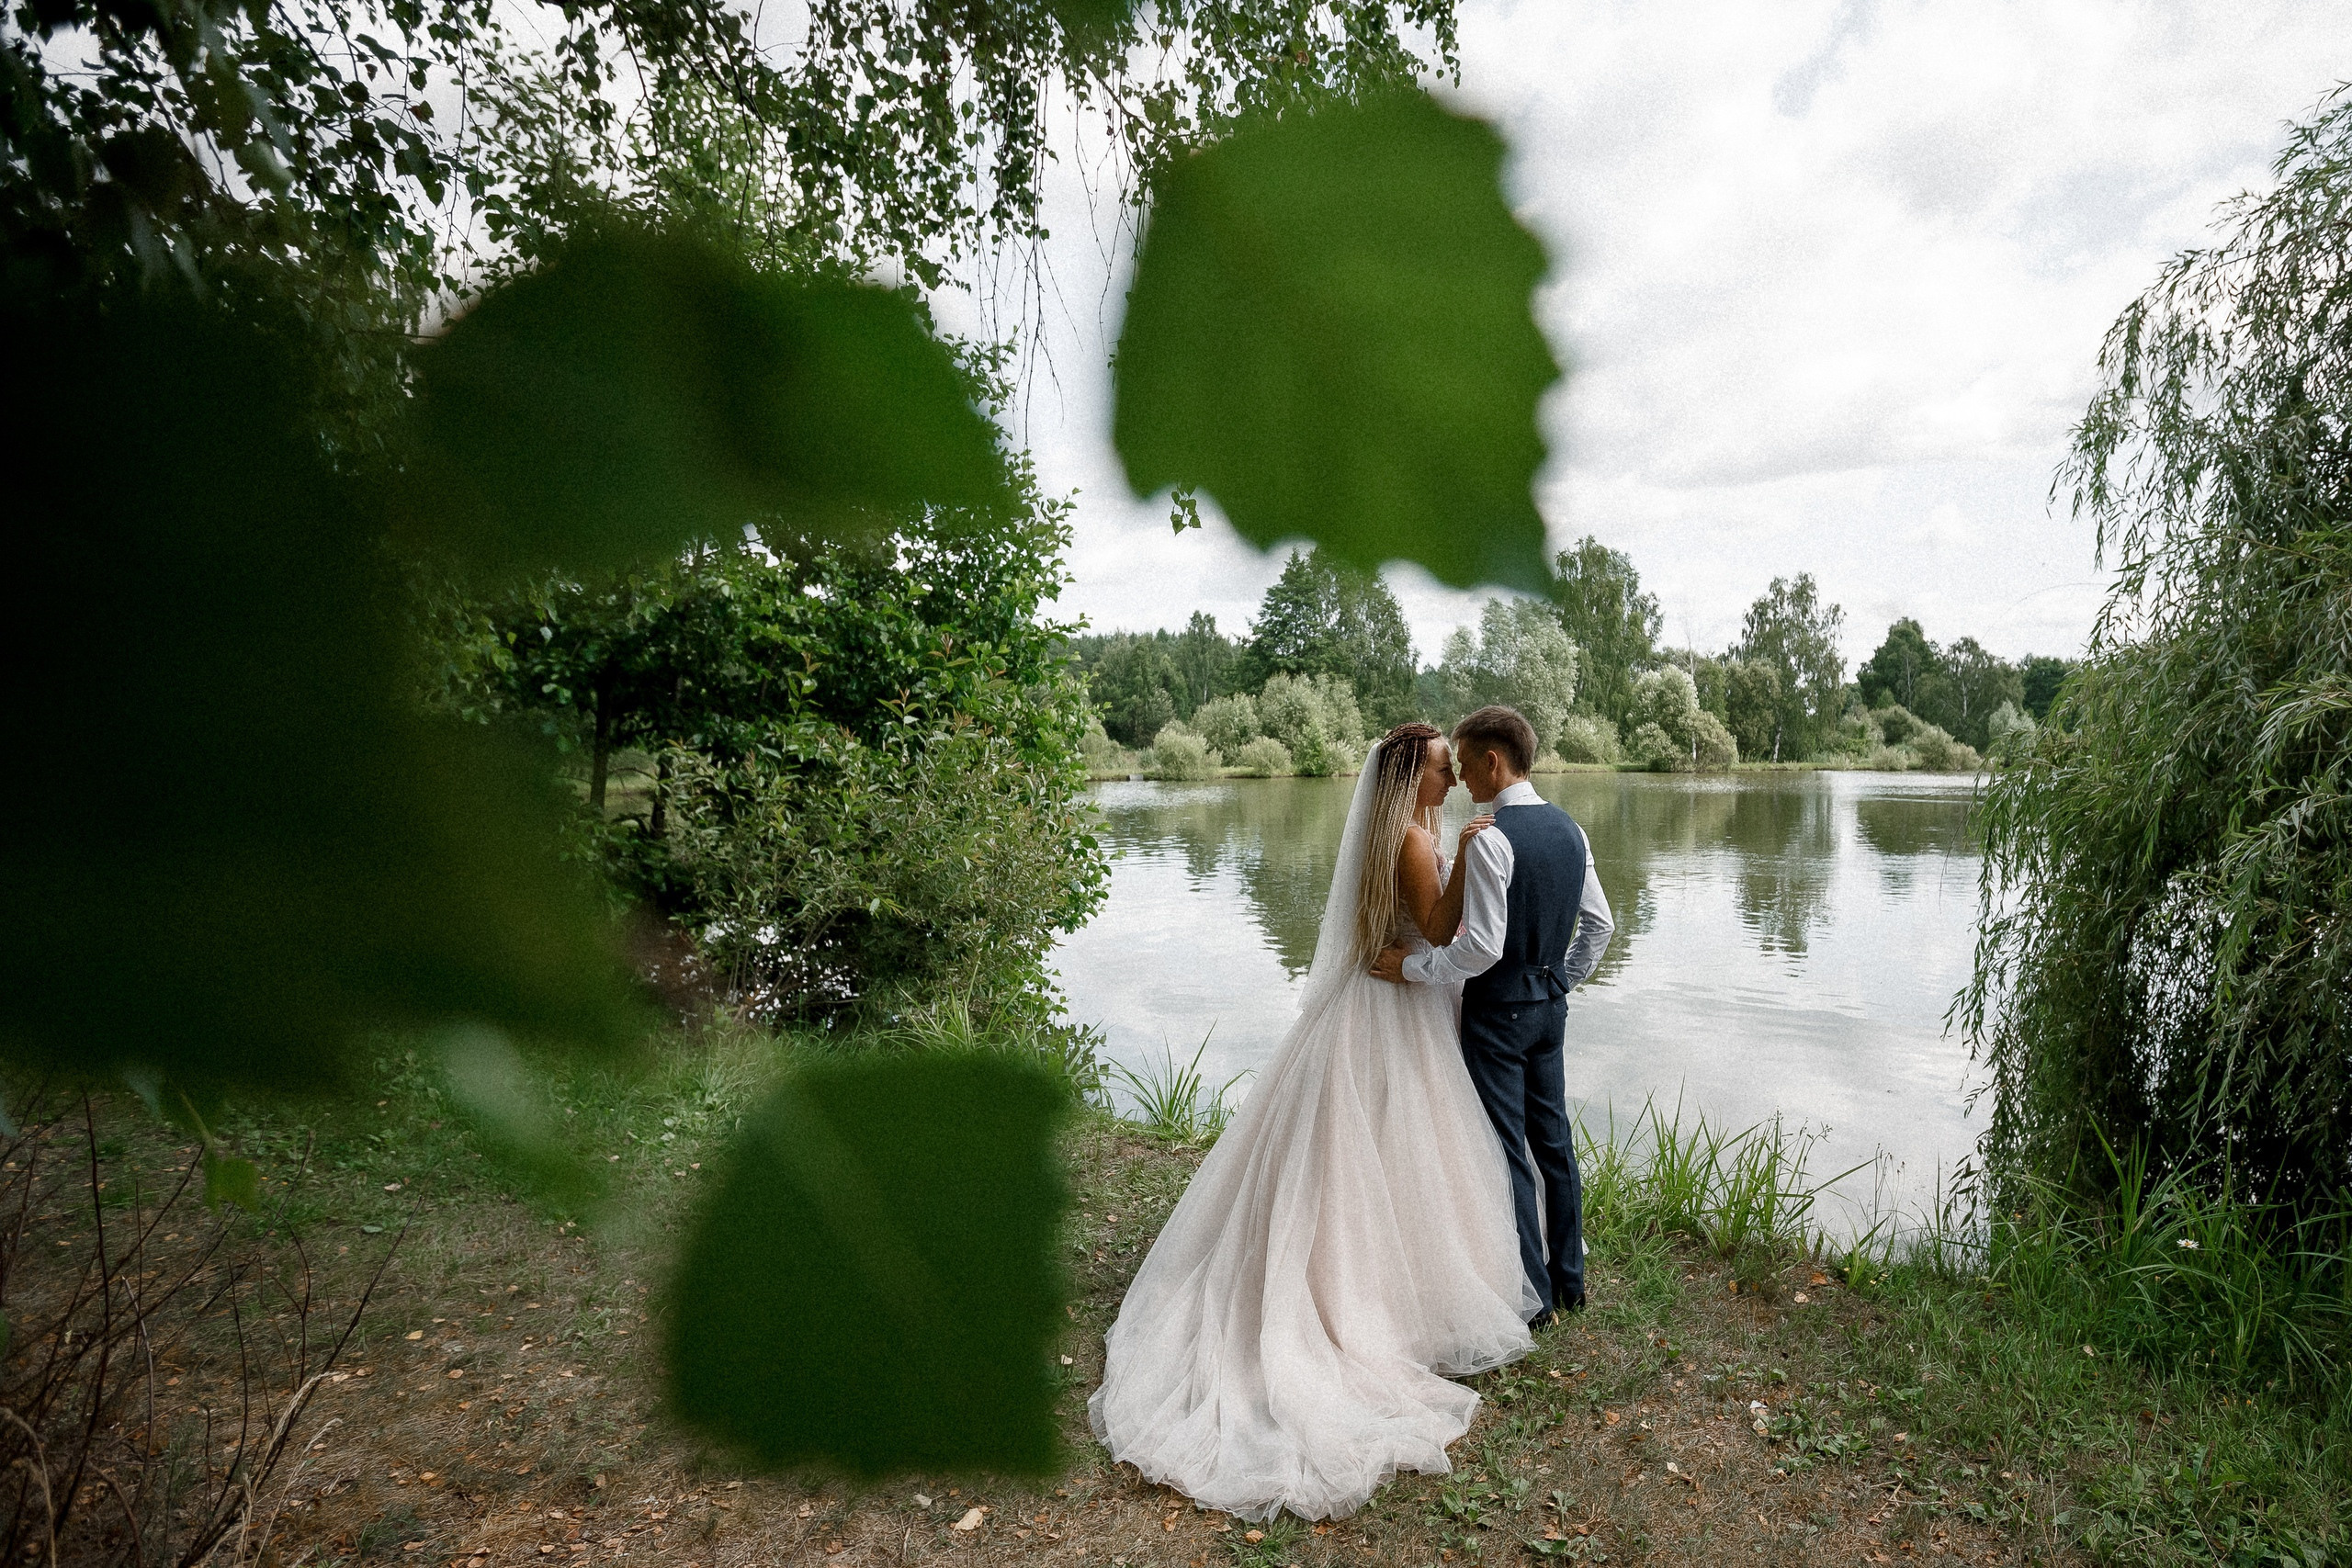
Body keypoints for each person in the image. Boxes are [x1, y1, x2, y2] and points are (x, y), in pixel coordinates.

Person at [1088, 724, 1537, 1523]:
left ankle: (1398, 1286)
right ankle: (1357, 1303)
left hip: (1396, 1001)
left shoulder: (1404, 829)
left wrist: (1457, 851)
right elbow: (1434, 930)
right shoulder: (1410, 835)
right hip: (1388, 1010)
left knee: (1397, 1153)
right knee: (1370, 1152)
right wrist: (1469, 854)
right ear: (1410, 775)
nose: (1452, 777)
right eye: (1441, 768)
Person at [1373, 705, 1613, 1318]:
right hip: (1550, 1009)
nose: (1462, 781)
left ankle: (1534, 1302)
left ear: (1492, 760)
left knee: (1508, 1149)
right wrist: (1560, 980)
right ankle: (1572, 1281)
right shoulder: (1572, 830)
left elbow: (1479, 947)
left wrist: (1412, 967)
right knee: (1554, 1142)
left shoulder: (1492, 838)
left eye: (1466, 764)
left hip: (1497, 1014)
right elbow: (1601, 926)